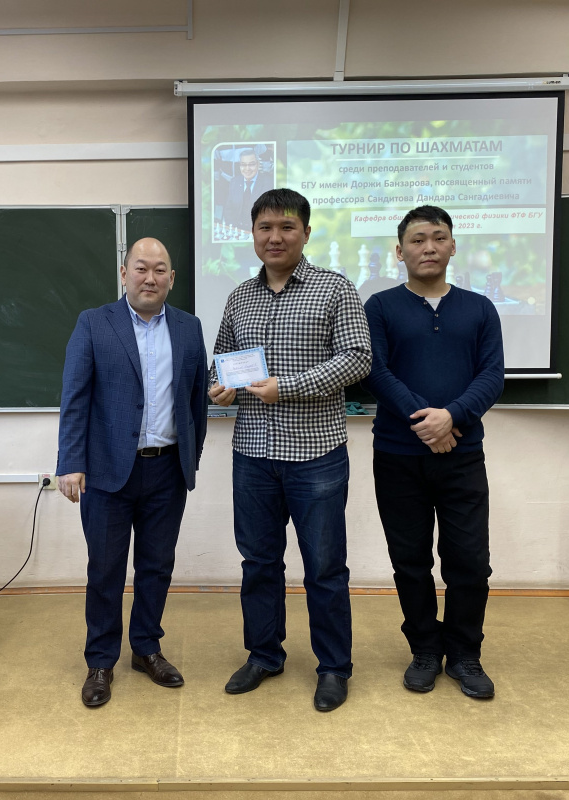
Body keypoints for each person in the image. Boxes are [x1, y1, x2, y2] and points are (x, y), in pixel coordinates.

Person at [209, 188, 371, 712]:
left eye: (286, 227)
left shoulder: (335, 288)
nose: (274, 237)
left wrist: (290, 387)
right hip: (253, 454)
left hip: (316, 455)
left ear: (305, 232)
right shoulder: (240, 297)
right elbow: (222, 358)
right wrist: (220, 387)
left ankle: (334, 668)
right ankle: (264, 655)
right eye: (265, 228)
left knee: (324, 568)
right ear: (253, 234)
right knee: (258, 563)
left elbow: (357, 358)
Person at [57, 237, 209, 707]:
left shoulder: (188, 327)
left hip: (167, 471)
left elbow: (196, 400)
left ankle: (146, 648)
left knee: (157, 566)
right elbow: (75, 397)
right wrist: (71, 462)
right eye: (141, 268)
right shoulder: (93, 323)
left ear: (171, 278)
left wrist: (191, 458)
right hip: (107, 472)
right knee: (105, 569)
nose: (150, 277)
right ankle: (100, 661)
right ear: (124, 274)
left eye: (160, 269)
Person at [361, 205, 504, 699]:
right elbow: (376, 372)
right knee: (410, 560)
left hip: (463, 454)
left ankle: (465, 654)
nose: (429, 247)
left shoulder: (480, 308)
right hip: (397, 456)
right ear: (400, 252)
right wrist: (427, 421)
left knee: (470, 561)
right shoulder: (380, 306)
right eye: (417, 240)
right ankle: (424, 648)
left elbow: (492, 375)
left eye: (438, 238)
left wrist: (453, 416)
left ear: (453, 246)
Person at [221, 149, 274, 233]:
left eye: (251, 164)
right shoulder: (234, 182)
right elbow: (228, 210)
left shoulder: (268, 183)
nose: (247, 168)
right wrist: (234, 229)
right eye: (243, 164)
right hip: (237, 230)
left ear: (258, 164)